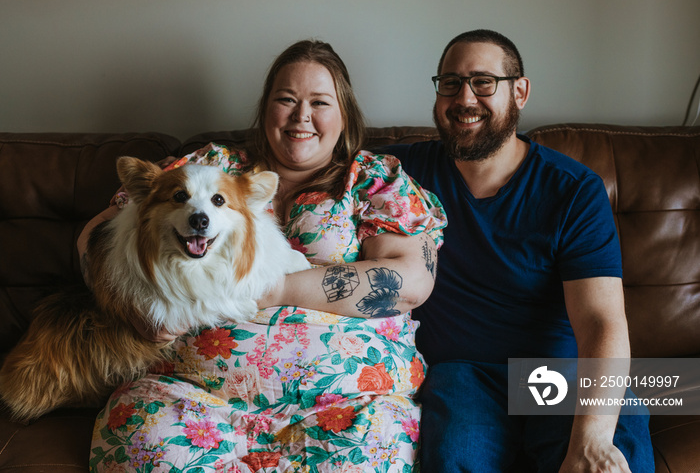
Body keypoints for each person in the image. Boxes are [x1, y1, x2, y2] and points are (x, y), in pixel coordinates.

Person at [84, 40, 446, 472]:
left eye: (319, 102)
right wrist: (127, 304)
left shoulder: (373, 179)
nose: (301, 116)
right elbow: (99, 235)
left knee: (371, 454)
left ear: (344, 113)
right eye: (286, 100)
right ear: (265, 109)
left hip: (348, 401)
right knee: (141, 442)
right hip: (189, 393)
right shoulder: (210, 165)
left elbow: (410, 282)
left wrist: (274, 289)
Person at [383, 29, 654, 472]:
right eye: (450, 83)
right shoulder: (399, 173)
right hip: (461, 373)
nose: (464, 97)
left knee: (611, 457)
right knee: (455, 459)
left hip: (559, 373)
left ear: (520, 92)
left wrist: (592, 440)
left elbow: (601, 320)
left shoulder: (573, 190)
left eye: (483, 82)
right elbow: (317, 156)